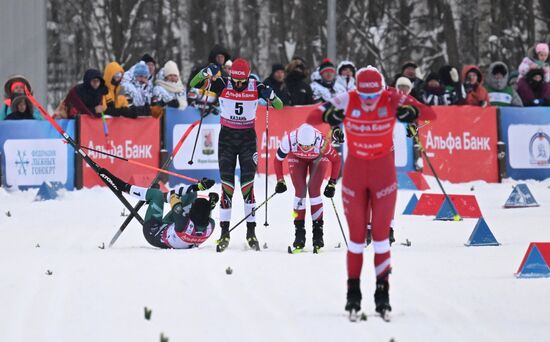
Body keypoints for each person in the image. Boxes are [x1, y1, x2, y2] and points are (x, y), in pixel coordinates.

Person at [310, 66, 436, 319]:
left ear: (381, 89)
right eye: (365, 97)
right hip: (355, 178)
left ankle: (382, 295)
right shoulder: (348, 97)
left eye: (374, 96)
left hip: (383, 177)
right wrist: (329, 115)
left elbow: (430, 113)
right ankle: (353, 295)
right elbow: (312, 117)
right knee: (356, 240)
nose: (369, 102)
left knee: (380, 238)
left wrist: (412, 111)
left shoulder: (391, 96)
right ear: (357, 89)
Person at [190, 58, 283, 252]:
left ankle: (251, 232)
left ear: (248, 77)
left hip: (248, 139)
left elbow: (279, 106)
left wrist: (272, 95)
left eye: (242, 81)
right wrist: (206, 72)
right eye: (236, 81)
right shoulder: (223, 83)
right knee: (227, 187)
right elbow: (194, 84)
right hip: (227, 139)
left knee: (247, 187)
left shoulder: (256, 86)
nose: (239, 85)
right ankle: (225, 233)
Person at [97, 168, 217, 249]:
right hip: (174, 230)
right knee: (191, 195)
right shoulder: (210, 225)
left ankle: (124, 187)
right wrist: (209, 203)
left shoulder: (182, 222)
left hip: (153, 231)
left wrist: (198, 187)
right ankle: (154, 197)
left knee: (157, 195)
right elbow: (203, 214)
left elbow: (174, 196)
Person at [273, 123, 342, 252]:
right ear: (297, 141)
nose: (305, 148)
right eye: (302, 145)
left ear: (314, 142)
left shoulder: (322, 142)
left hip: (318, 159)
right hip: (296, 159)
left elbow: (336, 160)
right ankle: (299, 235)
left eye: (308, 145)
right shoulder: (289, 140)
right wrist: (280, 180)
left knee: (314, 191)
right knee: (300, 191)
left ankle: (318, 235)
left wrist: (332, 183)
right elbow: (277, 160)